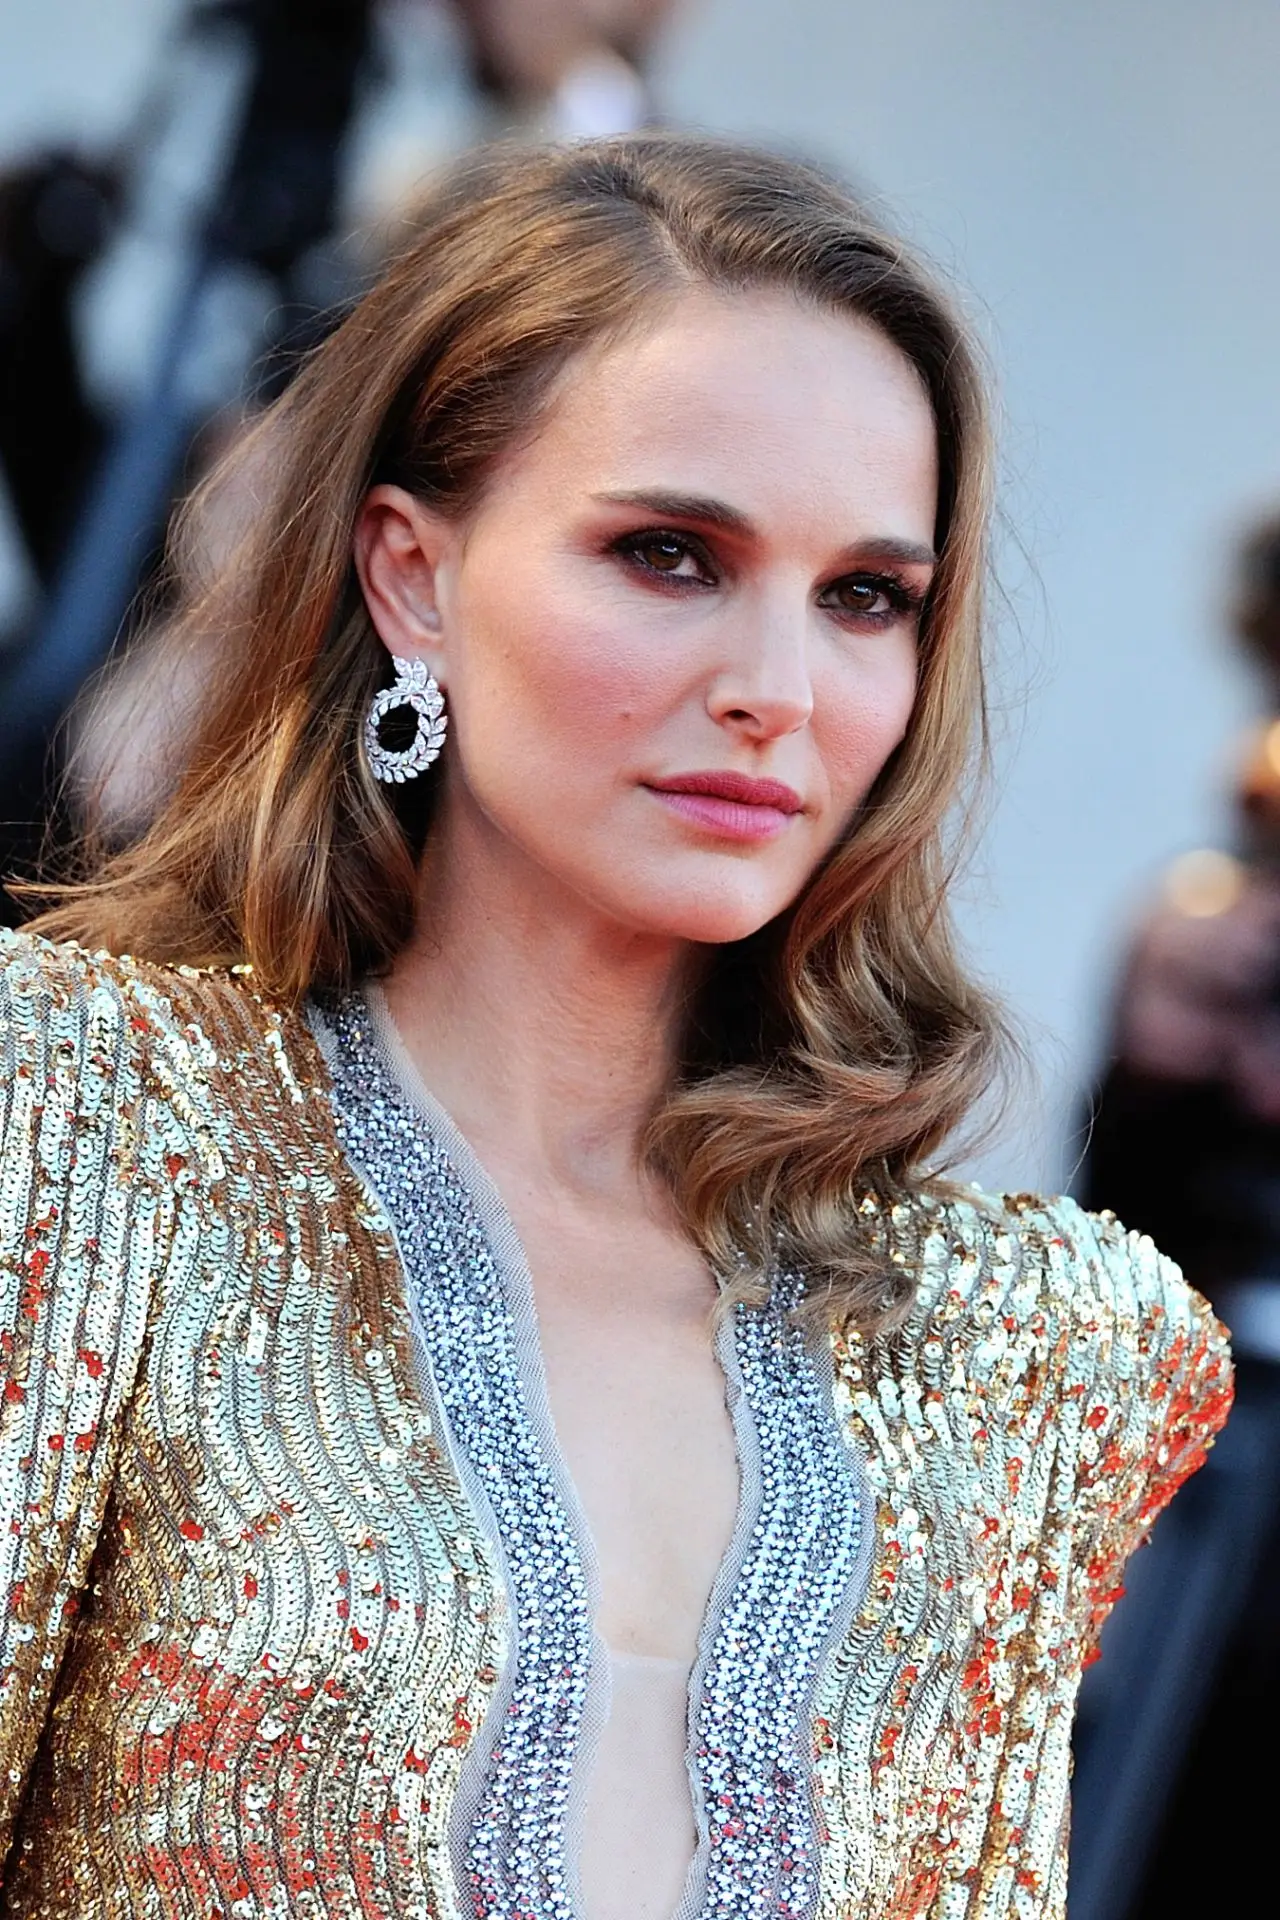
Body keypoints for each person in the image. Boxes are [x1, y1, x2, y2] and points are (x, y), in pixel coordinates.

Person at [0, 134, 1230, 1920]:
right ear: (411, 573)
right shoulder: (84, 1137)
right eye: (669, 555)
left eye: (866, 597)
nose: (777, 691)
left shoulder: (1021, 1349)